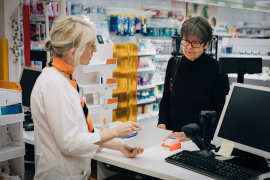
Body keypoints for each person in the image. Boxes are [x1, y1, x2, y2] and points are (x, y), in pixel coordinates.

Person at [31, 16, 144, 180]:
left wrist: (118, 145)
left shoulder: (65, 77)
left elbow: (83, 132)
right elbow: (70, 143)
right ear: (73, 50)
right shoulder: (54, 85)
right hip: (60, 175)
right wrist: (115, 132)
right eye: (91, 46)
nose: (95, 50)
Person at [157, 16, 230, 142]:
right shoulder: (174, 63)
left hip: (198, 140)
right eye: (186, 41)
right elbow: (166, 100)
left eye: (196, 43)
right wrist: (161, 123)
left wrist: (193, 135)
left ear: (206, 44)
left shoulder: (218, 71)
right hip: (170, 136)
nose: (189, 47)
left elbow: (221, 114)